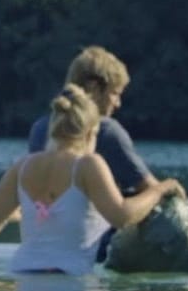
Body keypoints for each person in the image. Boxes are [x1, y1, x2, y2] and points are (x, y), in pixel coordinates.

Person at [0, 83, 186, 275]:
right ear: (90, 133)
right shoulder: (88, 165)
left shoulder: (22, 166)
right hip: (71, 284)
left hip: (23, 277)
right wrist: (160, 189)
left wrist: (15, 214)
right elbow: (121, 216)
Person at [26, 46, 158, 197]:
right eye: (115, 93)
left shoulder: (39, 128)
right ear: (93, 87)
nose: (118, 103)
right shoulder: (107, 130)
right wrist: (168, 187)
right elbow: (150, 189)